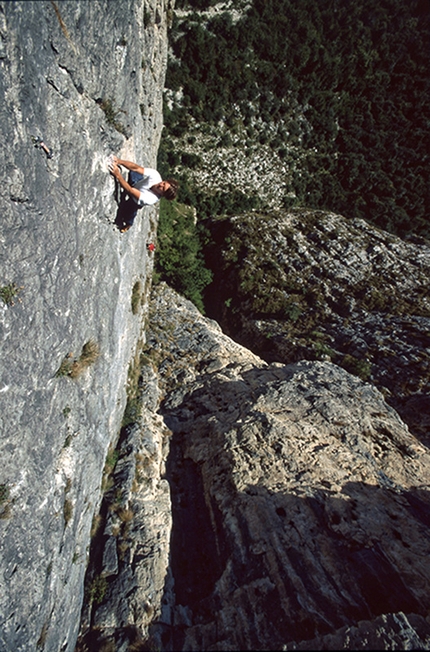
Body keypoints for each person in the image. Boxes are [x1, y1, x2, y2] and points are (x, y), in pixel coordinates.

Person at [108, 156, 178, 232]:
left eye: (163, 189)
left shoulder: (151, 199)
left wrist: (117, 175)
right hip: (137, 183)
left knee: (128, 214)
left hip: (135, 200)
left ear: (162, 194)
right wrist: (119, 161)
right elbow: (136, 168)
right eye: (164, 183)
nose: (161, 185)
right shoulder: (156, 175)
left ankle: (128, 225)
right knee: (134, 172)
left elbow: (130, 190)